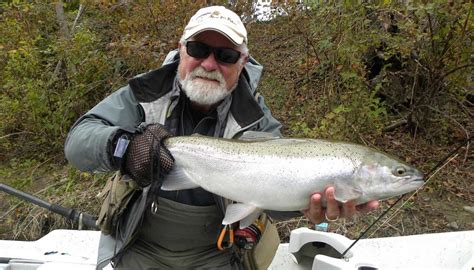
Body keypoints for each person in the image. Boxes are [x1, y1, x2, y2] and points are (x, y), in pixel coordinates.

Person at [64, 5, 378, 269]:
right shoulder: (144, 93)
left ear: (242, 63)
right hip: (140, 244)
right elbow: (78, 142)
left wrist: (308, 206)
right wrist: (126, 148)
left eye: (226, 55)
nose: (209, 64)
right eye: (199, 49)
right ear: (182, 48)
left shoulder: (256, 118)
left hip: (217, 252)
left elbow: (275, 198)